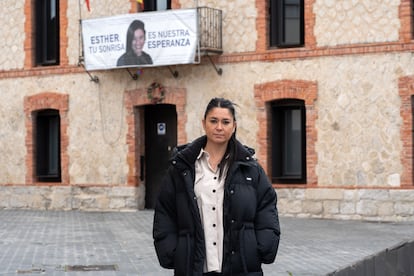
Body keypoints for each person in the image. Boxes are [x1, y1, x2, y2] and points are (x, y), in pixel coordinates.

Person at [153, 97, 281, 276]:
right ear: (204, 123)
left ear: (234, 126)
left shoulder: (251, 169)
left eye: (225, 122)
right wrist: (173, 252)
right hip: (194, 267)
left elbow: (267, 207)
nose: (219, 127)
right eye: (213, 121)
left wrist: (262, 247)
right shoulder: (182, 168)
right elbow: (165, 211)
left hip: (241, 267)